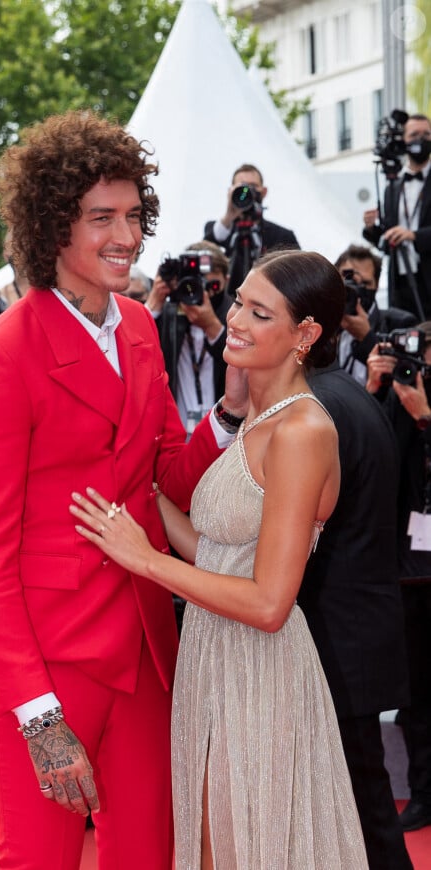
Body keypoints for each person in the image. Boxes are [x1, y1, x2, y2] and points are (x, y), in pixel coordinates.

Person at [0, 110, 242, 870]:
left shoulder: (143, 327)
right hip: (48, 663)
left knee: (149, 857)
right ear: (52, 229)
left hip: (145, 649)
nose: (127, 236)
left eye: (134, 215)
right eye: (100, 218)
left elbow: (169, 475)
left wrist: (233, 406)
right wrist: (39, 717)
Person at [71, 249, 368, 868]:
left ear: (304, 335)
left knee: (243, 850)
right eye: (238, 301)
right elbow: (215, 552)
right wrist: (138, 495)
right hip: (212, 660)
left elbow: (267, 603)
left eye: (259, 313)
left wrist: (145, 561)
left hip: (259, 668)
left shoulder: (303, 432)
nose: (234, 319)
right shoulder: (261, 416)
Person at [301, 363, 412, 869]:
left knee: (363, 813)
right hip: (356, 626)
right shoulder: (344, 391)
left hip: (339, 637)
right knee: (359, 807)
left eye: (258, 311)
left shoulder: (318, 408)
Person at [367, 324, 431, 833]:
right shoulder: (398, 398)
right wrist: (376, 392)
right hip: (409, 571)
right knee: (416, 694)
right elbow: (373, 461)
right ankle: (425, 792)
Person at [146, 239, 234, 435]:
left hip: (224, 430)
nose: (201, 293)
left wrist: (212, 326)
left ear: (226, 280)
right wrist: (153, 303)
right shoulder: (168, 313)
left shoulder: (236, 314)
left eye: (209, 285)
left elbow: (245, 367)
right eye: (192, 284)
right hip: (175, 428)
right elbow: (136, 352)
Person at [363, 113, 431, 319]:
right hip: (399, 281)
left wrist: (414, 236)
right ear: (403, 140)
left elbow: (410, 233)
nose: (421, 139)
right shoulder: (392, 185)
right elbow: (386, 239)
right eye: (414, 134)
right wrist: (371, 228)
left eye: (426, 134)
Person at [204, 163, 299, 296]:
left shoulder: (282, 236)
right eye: (241, 187)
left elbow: (297, 277)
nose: (246, 192)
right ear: (231, 191)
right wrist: (229, 215)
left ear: (264, 191)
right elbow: (208, 245)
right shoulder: (219, 228)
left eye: (253, 187)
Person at [336, 243, 416, 385]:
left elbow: (403, 382)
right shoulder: (321, 322)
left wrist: (366, 338)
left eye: (365, 284)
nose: (356, 290)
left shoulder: (400, 324)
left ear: (377, 285)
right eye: (349, 280)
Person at [0, 230, 29, 323]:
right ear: (5, 255)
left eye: (22, 245)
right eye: (14, 247)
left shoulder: (49, 291)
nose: (20, 251)